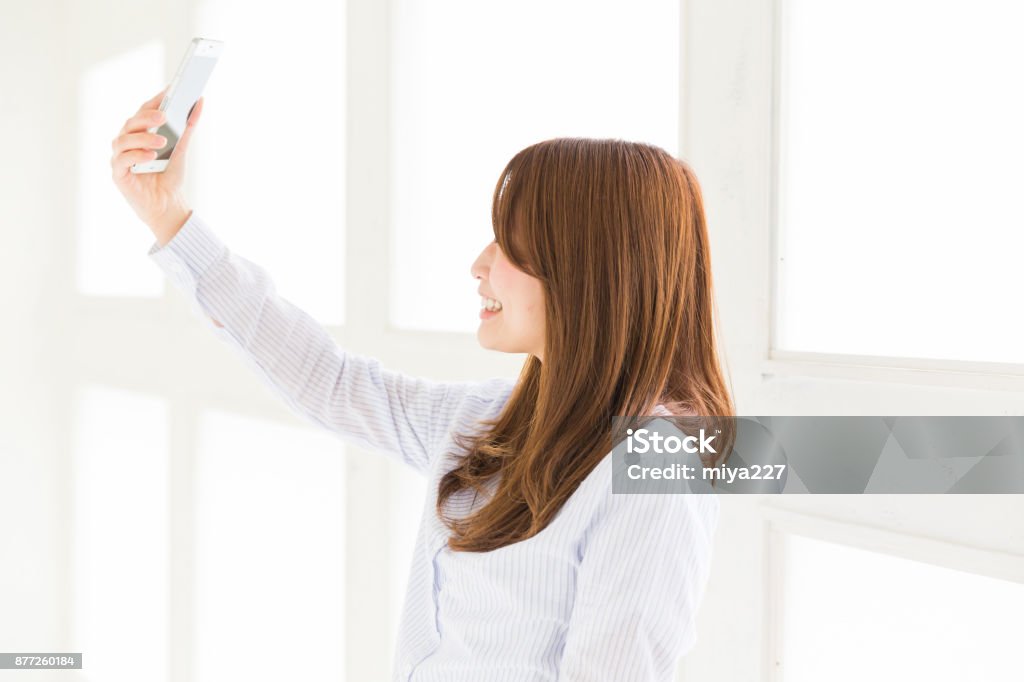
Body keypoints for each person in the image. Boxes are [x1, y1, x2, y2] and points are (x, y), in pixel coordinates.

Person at [110, 88, 734, 682]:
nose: (480, 265)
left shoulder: (663, 463)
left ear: (590, 269)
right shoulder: (488, 421)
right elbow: (327, 379)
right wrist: (168, 215)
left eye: (510, 246)